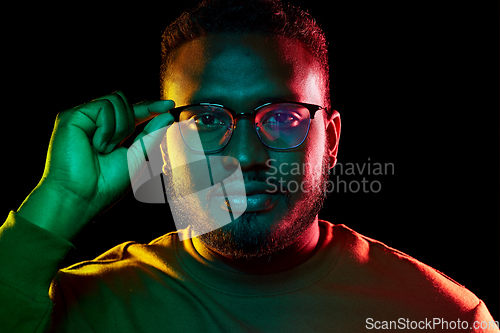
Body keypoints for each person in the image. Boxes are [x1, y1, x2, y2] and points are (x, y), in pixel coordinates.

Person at [0, 0, 498, 332]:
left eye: (283, 117)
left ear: (332, 141)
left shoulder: (442, 318)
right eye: (205, 118)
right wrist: (62, 199)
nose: (243, 156)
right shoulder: (70, 310)